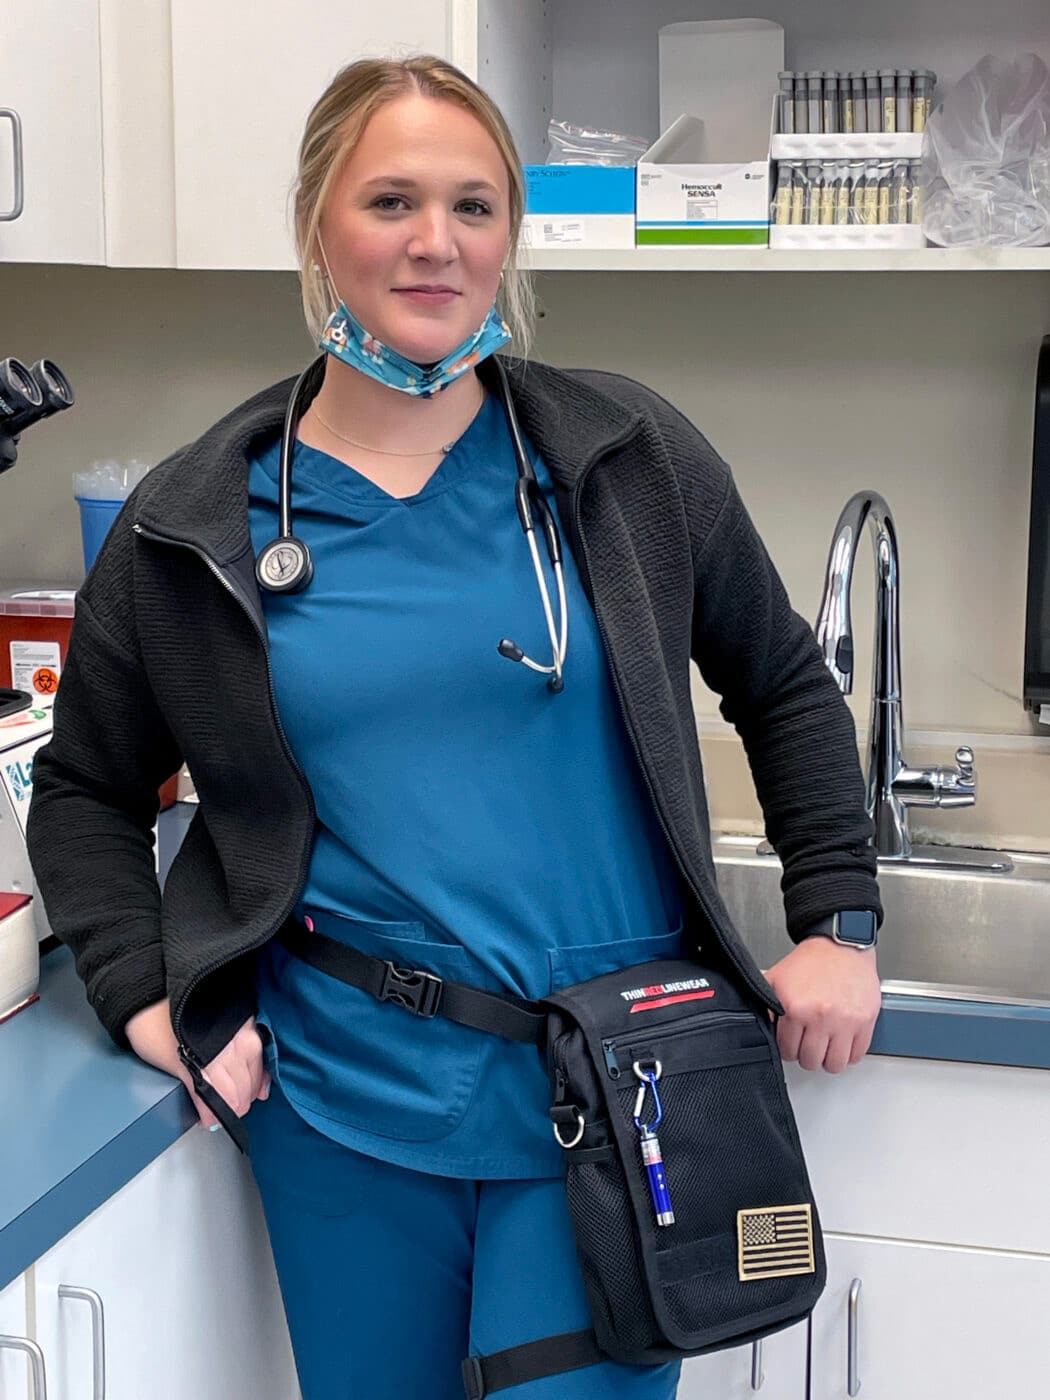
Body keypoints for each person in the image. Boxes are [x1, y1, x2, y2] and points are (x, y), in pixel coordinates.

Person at [27, 54, 882, 1400]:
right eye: (392, 201)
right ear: (318, 224)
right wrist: (141, 993)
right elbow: (84, 789)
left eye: (473, 207)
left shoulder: (623, 461)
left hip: (617, 1097)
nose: (436, 243)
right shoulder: (199, 520)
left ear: (508, 237)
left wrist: (838, 920)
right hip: (343, 1104)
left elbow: (777, 682)